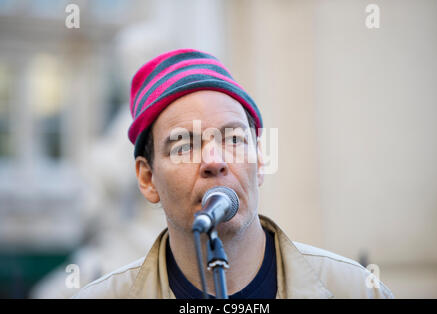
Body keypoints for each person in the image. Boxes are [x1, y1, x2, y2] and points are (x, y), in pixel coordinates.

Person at [73, 48, 394, 299]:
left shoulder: (357, 290)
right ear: (147, 179)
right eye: (184, 145)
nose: (215, 160)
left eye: (234, 139)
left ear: (260, 161)